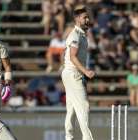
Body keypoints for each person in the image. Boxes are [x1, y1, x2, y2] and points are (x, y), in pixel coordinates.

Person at [61, 5, 94, 140]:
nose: (87, 20)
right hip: (73, 73)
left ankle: (68, 138)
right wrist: (85, 71)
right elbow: (72, 57)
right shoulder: (75, 34)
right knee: (84, 107)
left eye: (88, 17)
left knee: (72, 109)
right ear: (77, 19)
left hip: (72, 74)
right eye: (84, 17)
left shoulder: (82, 35)